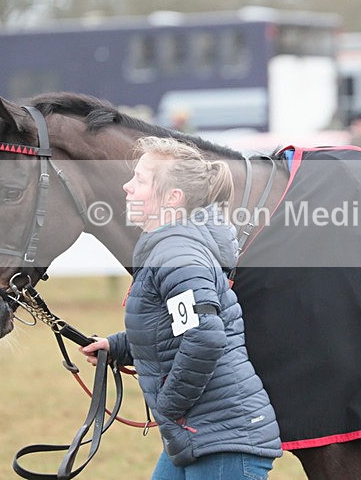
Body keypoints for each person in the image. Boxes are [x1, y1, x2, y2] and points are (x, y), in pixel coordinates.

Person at [79, 137, 282, 479]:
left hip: (222, 438)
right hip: (199, 433)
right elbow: (180, 325)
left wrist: (169, 404)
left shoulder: (177, 255)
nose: (127, 187)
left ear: (173, 198)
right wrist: (119, 346)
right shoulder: (169, 249)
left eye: (141, 180)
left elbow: (205, 337)